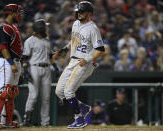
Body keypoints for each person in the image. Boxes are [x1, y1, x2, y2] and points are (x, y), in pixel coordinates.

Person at [54, 1, 105, 129]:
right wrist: (64, 50)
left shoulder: (93, 28)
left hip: (84, 63)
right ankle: (84, 107)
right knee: (59, 91)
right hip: (73, 60)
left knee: (69, 91)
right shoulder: (76, 23)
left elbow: (100, 49)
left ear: (89, 13)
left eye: (81, 11)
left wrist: (87, 59)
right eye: (78, 11)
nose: (79, 13)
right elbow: (74, 40)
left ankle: (79, 119)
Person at [0, 4, 23, 128]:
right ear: (11, 13)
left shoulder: (12, 27)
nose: (20, 15)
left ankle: (6, 122)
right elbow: (3, 47)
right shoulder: (4, 27)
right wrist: (12, 63)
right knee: (4, 91)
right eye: (18, 13)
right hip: (6, 62)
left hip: (15, 62)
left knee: (12, 92)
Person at [22, 19, 58, 126]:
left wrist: (55, 66)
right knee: (33, 95)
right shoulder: (29, 41)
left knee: (46, 98)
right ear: (40, 29)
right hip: (34, 68)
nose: (46, 28)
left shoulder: (47, 41)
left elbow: (50, 56)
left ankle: (45, 123)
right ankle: (27, 120)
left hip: (46, 69)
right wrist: (25, 70)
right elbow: (25, 57)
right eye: (45, 27)